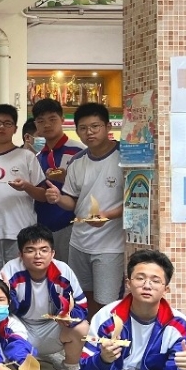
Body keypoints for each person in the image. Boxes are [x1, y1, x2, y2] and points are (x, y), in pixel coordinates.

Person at [43, 102, 123, 316]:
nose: (89, 132)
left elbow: (136, 201)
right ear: (77, 130)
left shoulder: (124, 156)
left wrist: (108, 215)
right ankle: (89, 335)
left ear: (108, 127)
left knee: (107, 303)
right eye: (83, 128)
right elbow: (73, 202)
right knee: (82, 298)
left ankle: (105, 336)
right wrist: (58, 198)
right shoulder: (78, 161)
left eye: (95, 126)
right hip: (79, 242)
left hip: (111, 246)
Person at [0, 225, 89, 370]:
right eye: (30, 250)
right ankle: (26, 357)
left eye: (44, 250)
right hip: (21, 325)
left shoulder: (63, 270)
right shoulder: (10, 270)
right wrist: (6, 297)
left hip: (51, 326)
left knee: (82, 327)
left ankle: (69, 366)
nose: (38, 255)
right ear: (20, 254)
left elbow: (82, 306)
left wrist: (69, 316)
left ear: (52, 253)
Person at [0, 104, 47, 281]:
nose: (2, 127)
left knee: (22, 284)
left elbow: (43, 195)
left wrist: (27, 187)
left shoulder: (27, 156)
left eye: (7, 123)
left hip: (22, 232)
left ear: (15, 129)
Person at [31, 98, 83, 263]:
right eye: (41, 121)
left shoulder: (79, 151)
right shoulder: (38, 157)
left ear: (62, 119)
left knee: (69, 274)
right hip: (43, 229)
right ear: (36, 125)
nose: (47, 125)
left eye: (52, 119)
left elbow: (91, 187)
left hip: (70, 226)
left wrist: (66, 178)